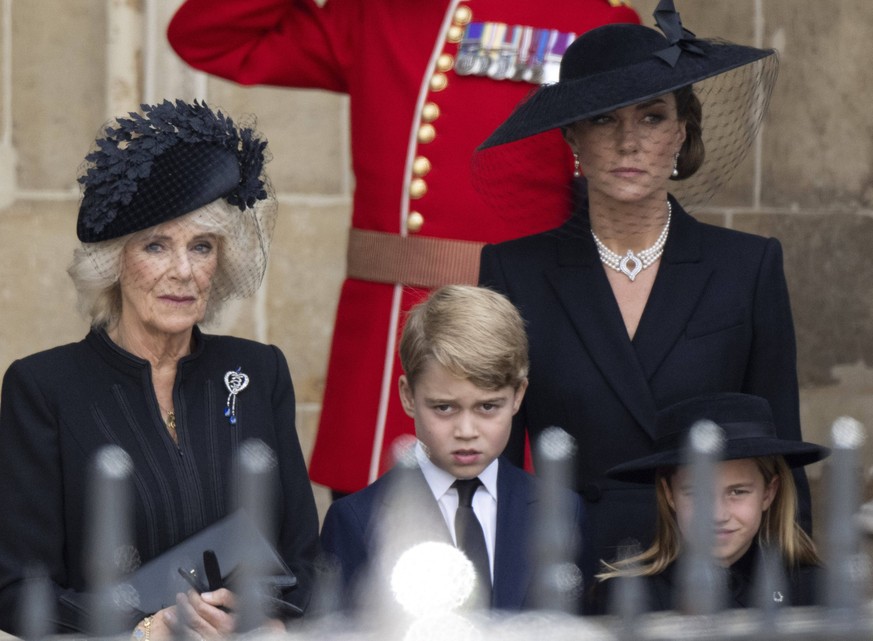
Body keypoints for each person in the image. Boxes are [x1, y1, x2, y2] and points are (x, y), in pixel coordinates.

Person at [166, 0, 640, 498]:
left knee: (515, 542)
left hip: (522, 333)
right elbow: (207, 36)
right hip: (386, 346)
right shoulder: (381, 13)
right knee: (366, 551)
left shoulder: (594, 20)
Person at [476, 0, 812, 570]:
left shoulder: (747, 266)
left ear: (681, 132)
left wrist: (788, 595)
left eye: (652, 116)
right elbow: (497, 465)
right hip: (569, 569)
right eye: (605, 118)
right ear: (572, 138)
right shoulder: (515, 272)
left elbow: (782, 456)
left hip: (712, 570)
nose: (629, 142)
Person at [0, 100, 319, 636]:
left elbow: (308, 561)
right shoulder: (44, 389)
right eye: (156, 246)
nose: (183, 272)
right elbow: (17, 591)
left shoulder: (258, 371)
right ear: (114, 260)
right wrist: (147, 627)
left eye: (201, 247)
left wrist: (267, 621)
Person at [319, 285, 587, 612]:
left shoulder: (560, 510)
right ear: (407, 395)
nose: (466, 431)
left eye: (488, 407)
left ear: (518, 395)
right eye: (444, 408)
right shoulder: (356, 520)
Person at [591, 393, 828, 613]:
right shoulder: (626, 595)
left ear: (768, 493)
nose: (717, 514)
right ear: (670, 494)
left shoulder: (812, 590)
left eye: (737, 491)